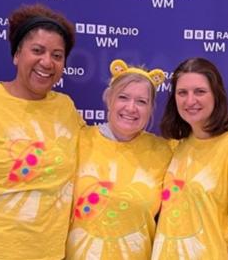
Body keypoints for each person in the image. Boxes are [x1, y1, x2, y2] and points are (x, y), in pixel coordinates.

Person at [0, 4, 84, 259]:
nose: (47, 62)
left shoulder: (66, 107)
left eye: (57, 55)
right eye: (37, 51)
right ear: (17, 54)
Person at [151, 57, 228, 260]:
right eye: (182, 93)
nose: (190, 101)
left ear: (216, 95)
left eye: (200, 92)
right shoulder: (178, 146)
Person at [66, 59, 172, 259]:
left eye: (142, 101)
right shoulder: (79, 140)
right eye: (123, 97)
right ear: (109, 99)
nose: (131, 108)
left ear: (151, 109)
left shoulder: (164, 152)